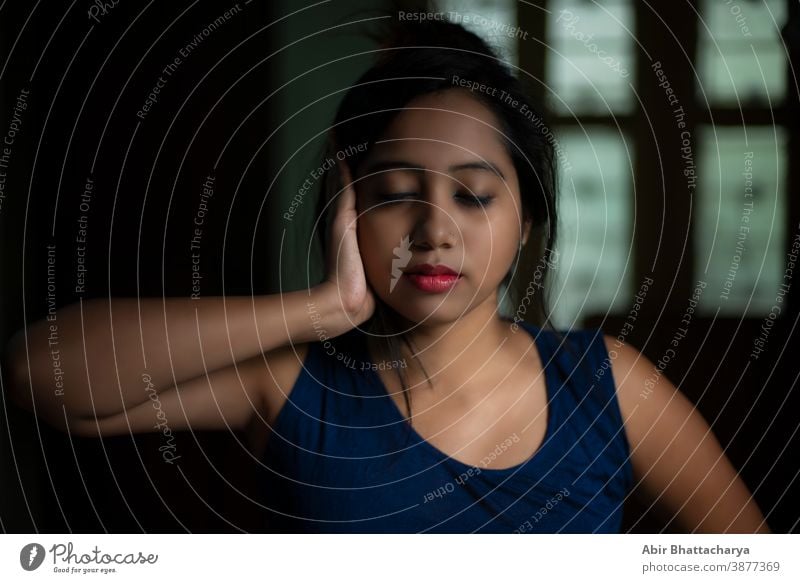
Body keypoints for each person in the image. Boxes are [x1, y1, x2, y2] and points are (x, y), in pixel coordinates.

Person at [7, 16, 769, 534]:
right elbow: (42, 371)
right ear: (348, 209)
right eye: (396, 193)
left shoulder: (608, 386)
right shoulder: (295, 384)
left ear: (526, 218)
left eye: (474, 195)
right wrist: (318, 308)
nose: (435, 230)